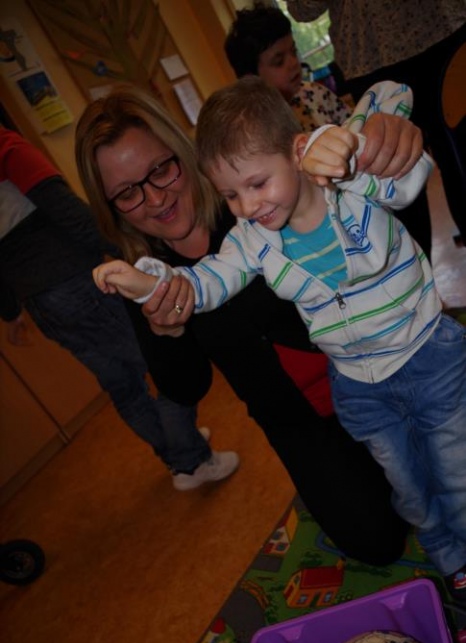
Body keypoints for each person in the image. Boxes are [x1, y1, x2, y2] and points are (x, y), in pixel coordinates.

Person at [92, 77, 466, 603]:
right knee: (395, 511)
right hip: (343, 396)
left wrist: (362, 142)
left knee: (453, 468)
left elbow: (395, 116)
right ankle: (449, 551)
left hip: (414, 356)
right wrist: (155, 292)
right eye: (128, 192)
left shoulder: (318, 181)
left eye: (160, 170)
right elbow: (200, 305)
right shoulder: (249, 234)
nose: (154, 196)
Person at [0, 125, 239, 492]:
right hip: (81, 282)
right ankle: (190, 460)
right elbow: (71, 213)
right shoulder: (7, 149)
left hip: (41, 302)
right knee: (161, 363)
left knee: (123, 386)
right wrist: (128, 250)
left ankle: (179, 454)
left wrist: (10, 309)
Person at [286, 0, 466, 248]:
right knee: (396, 191)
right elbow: (302, 9)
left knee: (460, 161)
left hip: (442, 34)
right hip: (372, 54)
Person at [224, 2, 353, 135]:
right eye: (279, 62)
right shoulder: (254, 129)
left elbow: (353, 125)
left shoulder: (315, 93)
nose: (293, 63)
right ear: (251, 79)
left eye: (293, 51)